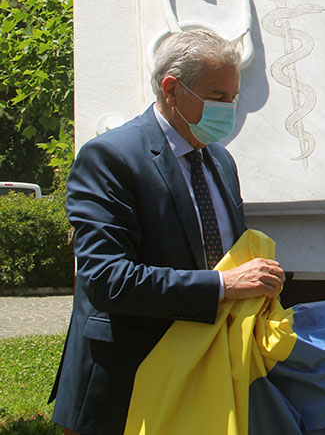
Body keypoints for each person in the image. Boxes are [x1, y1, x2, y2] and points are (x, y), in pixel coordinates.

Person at [50, 30, 286, 435]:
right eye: (217, 96)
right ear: (172, 90)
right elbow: (107, 280)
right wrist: (223, 285)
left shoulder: (221, 161)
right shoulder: (110, 157)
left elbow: (226, 257)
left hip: (203, 380)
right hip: (126, 383)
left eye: (233, 96)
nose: (229, 108)